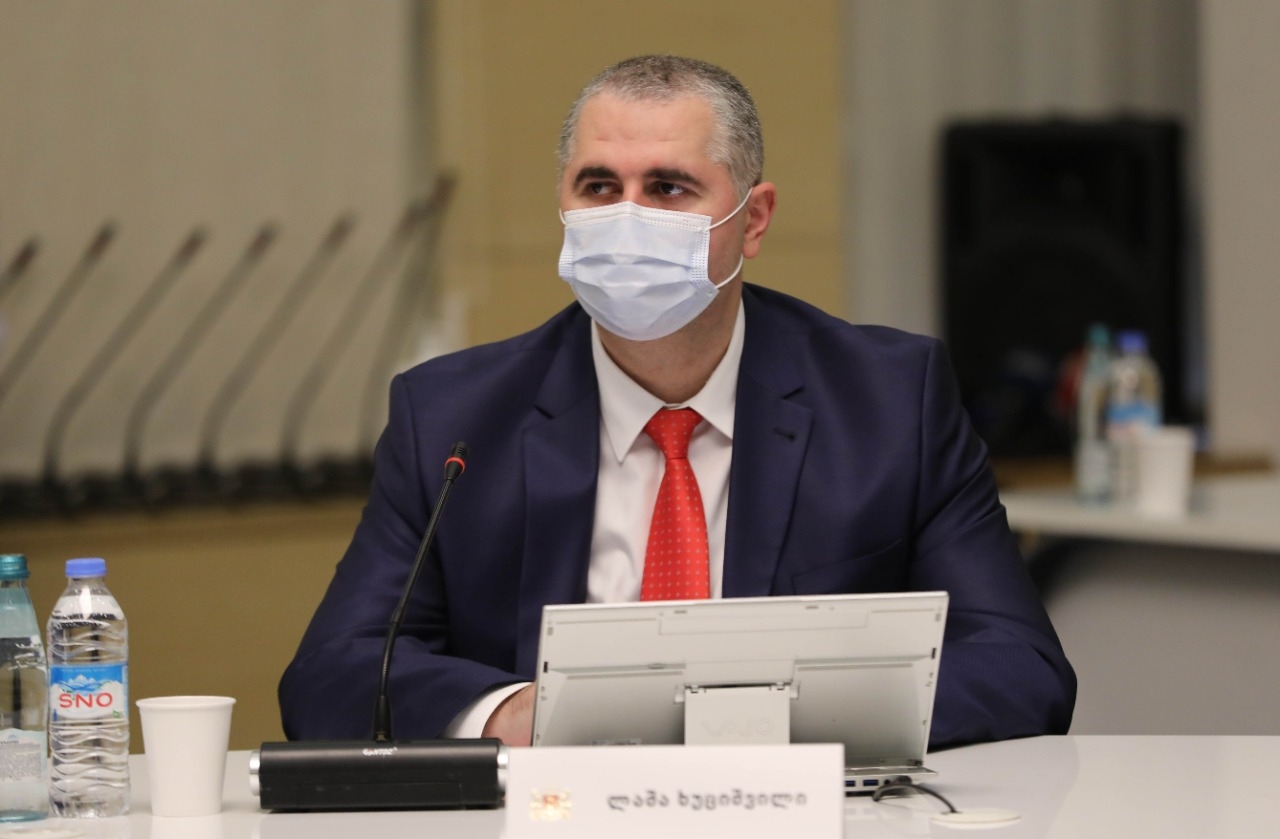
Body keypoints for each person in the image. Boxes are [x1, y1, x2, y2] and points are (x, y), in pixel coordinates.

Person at [280, 55, 1075, 749]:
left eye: (667, 187)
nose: (627, 216)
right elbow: (331, 674)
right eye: (599, 186)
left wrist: (755, 719)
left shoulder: (890, 401)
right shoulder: (453, 419)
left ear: (752, 219)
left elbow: (1021, 665)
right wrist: (510, 713)